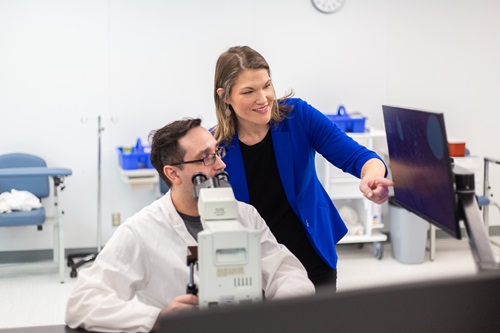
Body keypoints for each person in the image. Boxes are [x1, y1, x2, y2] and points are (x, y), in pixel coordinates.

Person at [65, 118, 315, 333]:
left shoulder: (244, 215)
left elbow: (286, 273)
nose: (220, 165)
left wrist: (277, 316)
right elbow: (83, 302)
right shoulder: (141, 231)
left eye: (217, 152)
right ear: (173, 174)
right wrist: (158, 318)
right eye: (205, 158)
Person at [212, 45, 394, 289]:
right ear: (225, 96)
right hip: (254, 267)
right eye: (248, 91)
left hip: (311, 254)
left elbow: (359, 157)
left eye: (267, 85)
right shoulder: (215, 146)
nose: (262, 98)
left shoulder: (297, 117)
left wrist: (372, 177)